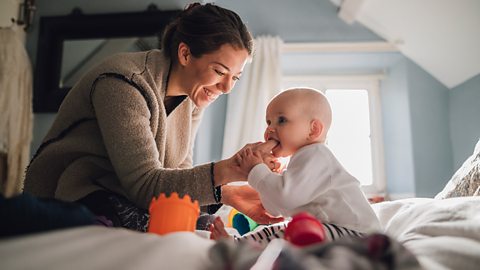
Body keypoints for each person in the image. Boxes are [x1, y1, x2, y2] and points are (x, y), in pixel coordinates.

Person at [23, 2, 282, 232]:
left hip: (123, 193)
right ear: (185, 54)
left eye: (234, 78)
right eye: (219, 71)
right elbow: (145, 186)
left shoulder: (191, 99)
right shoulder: (123, 84)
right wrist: (232, 168)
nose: (226, 88)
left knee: (203, 225)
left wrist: (226, 194)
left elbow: (176, 172)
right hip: (72, 194)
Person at [210, 88, 381, 246]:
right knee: (277, 230)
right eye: (268, 122)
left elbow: (285, 197)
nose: (269, 129)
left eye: (281, 120)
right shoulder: (300, 161)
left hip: (357, 236)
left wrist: (256, 170)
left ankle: (243, 253)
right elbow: (276, 208)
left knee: (291, 235)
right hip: (335, 231)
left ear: (313, 130)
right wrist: (270, 178)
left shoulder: (316, 155)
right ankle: (238, 246)